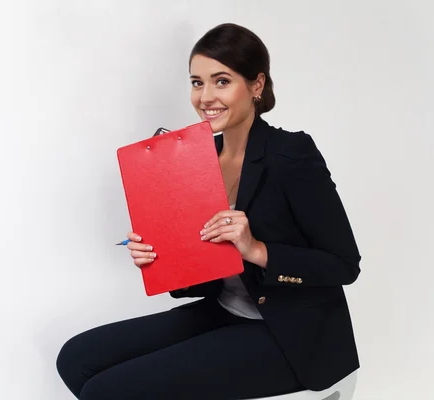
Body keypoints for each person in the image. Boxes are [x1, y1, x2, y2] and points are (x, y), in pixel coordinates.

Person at [56, 22, 362, 400]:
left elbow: (344, 264)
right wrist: (160, 255)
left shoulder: (291, 155)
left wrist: (256, 250)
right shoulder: (196, 160)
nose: (205, 96)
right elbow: (204, 271)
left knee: (105, 392)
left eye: (221, 81)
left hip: (290, 336)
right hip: (224, 311)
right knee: (76, 359)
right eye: (197, 82)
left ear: (256, 86)